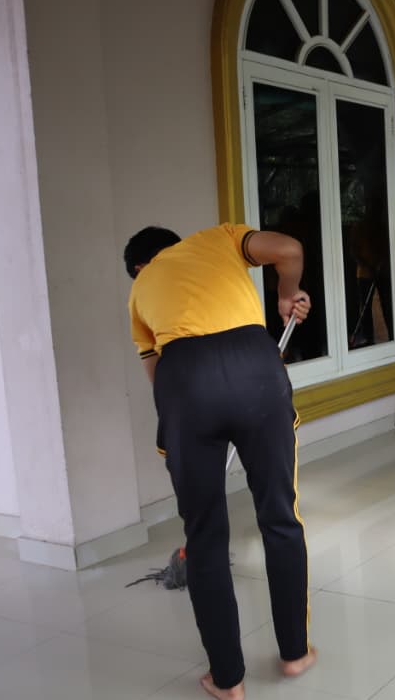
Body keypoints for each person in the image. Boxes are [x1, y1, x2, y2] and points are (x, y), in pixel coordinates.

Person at [124, 224, 317, 700]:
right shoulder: (220, 240)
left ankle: (227, 681)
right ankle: (294, 654)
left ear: (140, 267)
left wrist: (199, 402)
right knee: (280, 517)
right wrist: (286, 296)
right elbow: (289, 249)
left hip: (185, 384)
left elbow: (156, 375)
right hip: (257, 365)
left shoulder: (139, 292)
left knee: (205, 536)